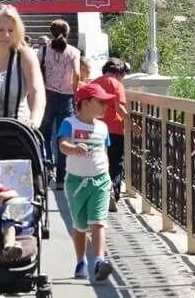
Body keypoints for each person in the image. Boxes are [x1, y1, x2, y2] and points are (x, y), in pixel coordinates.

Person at [59, 81, 116, 283]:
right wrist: (74, 149)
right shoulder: (70, 123)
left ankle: (99, 261)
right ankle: (81, 260)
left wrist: (109, 180)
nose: (105, 106)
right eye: (100, 102)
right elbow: (63, 144)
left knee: (98, 222)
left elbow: (104, 152)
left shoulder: (103, 127)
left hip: (100, 180)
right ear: (85, 103)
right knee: (80, 225)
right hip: (76, 182)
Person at [39, 20, 88, 189]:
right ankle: (61, 179)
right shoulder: (73, 51)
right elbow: (76, 73)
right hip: (66, 97)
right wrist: (74, 91)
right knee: (63, 137)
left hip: (47, 96)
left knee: (44, 134)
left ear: (51, 32)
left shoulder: (44, 50)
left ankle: (46, 168)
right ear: (67, 32)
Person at [92, 58, 129, 210]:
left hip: (95, 129)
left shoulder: (94, 83)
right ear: (118, 73)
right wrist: (132, 124)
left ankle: (97, 194)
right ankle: (113, 193)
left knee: (97, 163)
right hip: (114, 129)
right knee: (115, 163)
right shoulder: (116, 84)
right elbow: (119, 107)